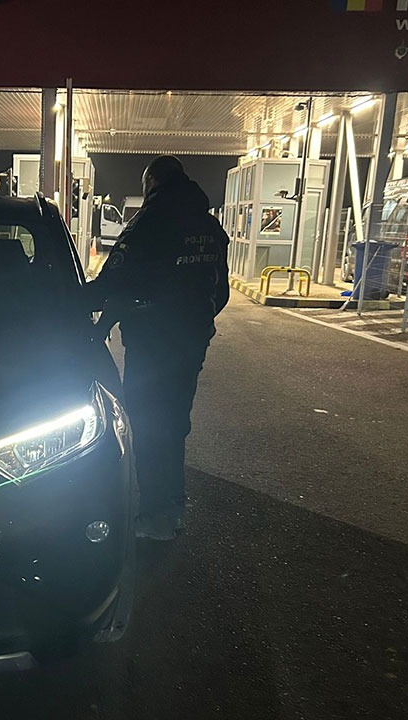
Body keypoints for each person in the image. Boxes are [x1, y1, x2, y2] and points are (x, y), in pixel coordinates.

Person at [86, 156, 229, 541]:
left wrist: (79, 303)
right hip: (191, 341)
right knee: (175, 423)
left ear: (152, 183)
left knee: (149, 425)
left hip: (152, 344)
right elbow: (221, 292)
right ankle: (173, 507)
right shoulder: (209, 228)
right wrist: (194, 324)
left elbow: (116, 281)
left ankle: (154, 517)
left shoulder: (149, 223)